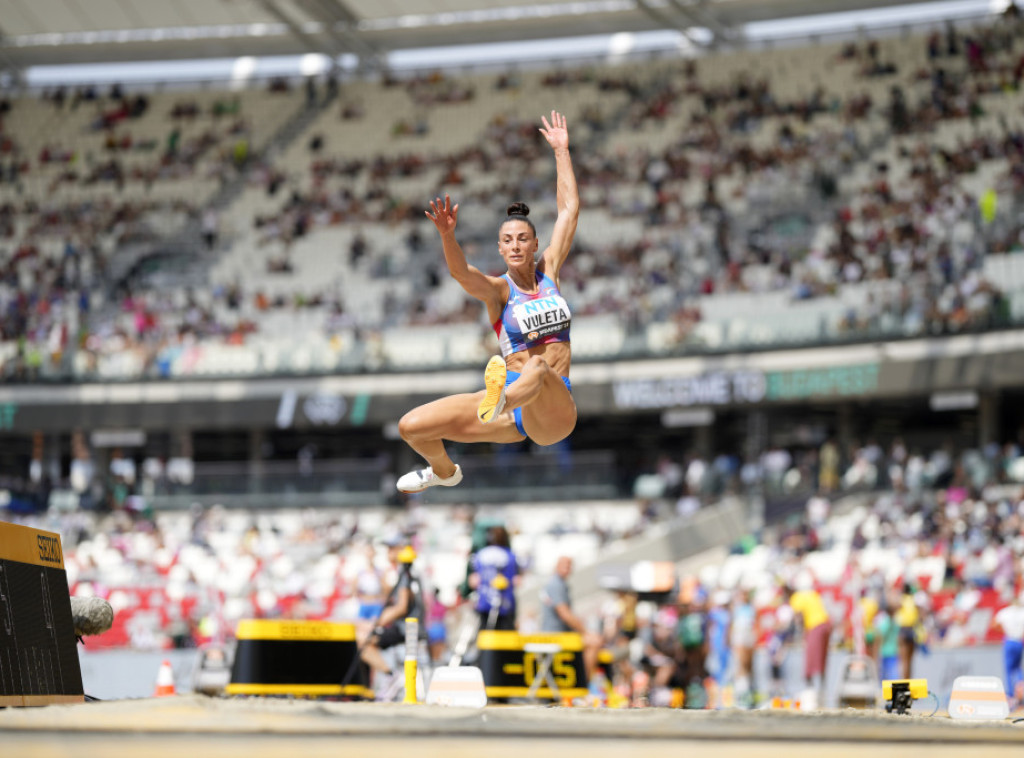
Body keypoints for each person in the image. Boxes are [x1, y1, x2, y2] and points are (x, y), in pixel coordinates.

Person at [395, 110, 579, 493]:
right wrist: (448, 235)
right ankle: (444, 472)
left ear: (534, 245)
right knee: (410, 427)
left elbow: (568, 211)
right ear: (500, 248)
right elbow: (462, 275)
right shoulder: (499, 291)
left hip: (552, 409)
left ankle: (501, 400)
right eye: (507, 240)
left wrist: (561, 151)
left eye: (522, 239)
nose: (515, 245)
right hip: (510, 415)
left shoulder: (550, 274)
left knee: (540, 367)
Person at [358, 536, 424, 690]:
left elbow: (402, 607)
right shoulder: (399, 572)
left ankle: (391, 676)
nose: (389, 552)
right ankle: (372, 685)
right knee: (361, 633)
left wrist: (375, 623)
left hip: (406, 628)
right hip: (403, 626)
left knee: (362, 640)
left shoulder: (405, 572)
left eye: (392, 548)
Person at [539, 555, 601, 679]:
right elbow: (564, 614)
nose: (567, 568)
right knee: (595, 642)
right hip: (555, 635)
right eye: (564, 565)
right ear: (556, 566)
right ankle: (584, 684)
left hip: (558, 633)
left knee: (594, 641)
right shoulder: (556, 584)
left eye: (569, 565)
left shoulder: (558, 583)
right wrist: (585, 632)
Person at [468, 525, 520, 631]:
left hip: (484, 603)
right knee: (505, 640)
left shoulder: (479, 555)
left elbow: (473, 581)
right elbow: (516, 580)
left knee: (484, 637)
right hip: (506, 604)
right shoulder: (510, 556)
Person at [992, 591, 1024, 707]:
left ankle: (1011, 696)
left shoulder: (1005, 612)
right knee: (1018, 669)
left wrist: (1004, 631)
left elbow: (994, 624)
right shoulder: (1022, 612)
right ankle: (1020, 694)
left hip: (1009, 641)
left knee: (1009, 670)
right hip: (1019, 642)